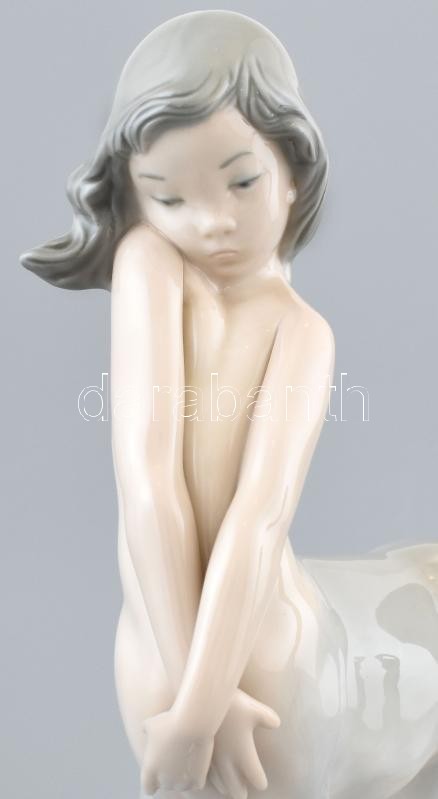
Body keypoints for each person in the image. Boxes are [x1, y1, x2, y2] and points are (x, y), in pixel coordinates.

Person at [20, 11, 438, 799]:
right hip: (215, 654)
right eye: (168, 196)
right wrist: (197, 705)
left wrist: (192, 705)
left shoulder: (300, 332)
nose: (211, 221)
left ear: (295, 171)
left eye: (242, 183)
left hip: (247, 659)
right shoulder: (150, 260)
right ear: (137, 197)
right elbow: (157, 486)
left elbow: (251, 516)